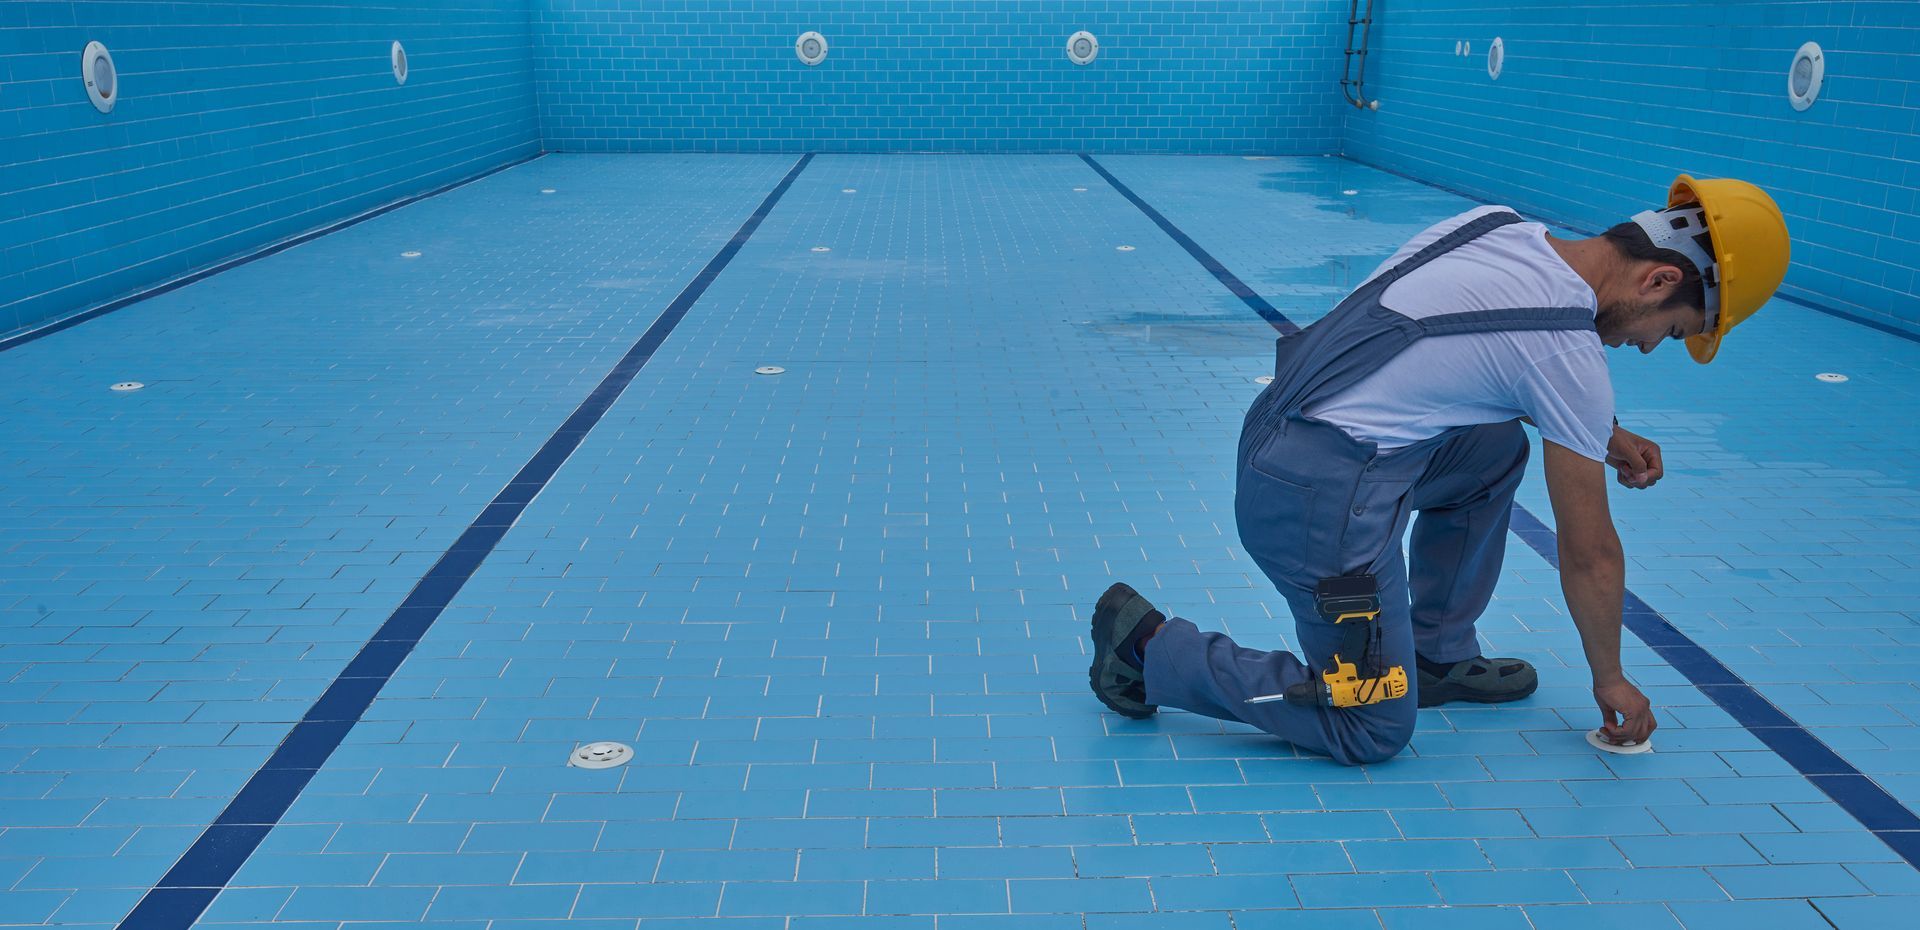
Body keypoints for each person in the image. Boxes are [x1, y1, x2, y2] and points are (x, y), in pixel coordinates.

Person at [1089, 175, 1791, 765]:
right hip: (1316, 504)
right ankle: (1148, 651)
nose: (1646, 348)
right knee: (1371, 724)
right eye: (1670, 330)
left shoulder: (1502, 229)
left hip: (1288, 434)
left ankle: (1434, 654)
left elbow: (1459, 354)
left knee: (1491, 453)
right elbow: (1590, 553)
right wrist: (1609, 678)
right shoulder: (1567, 351)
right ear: (1660, 279)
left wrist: (1599, 432)